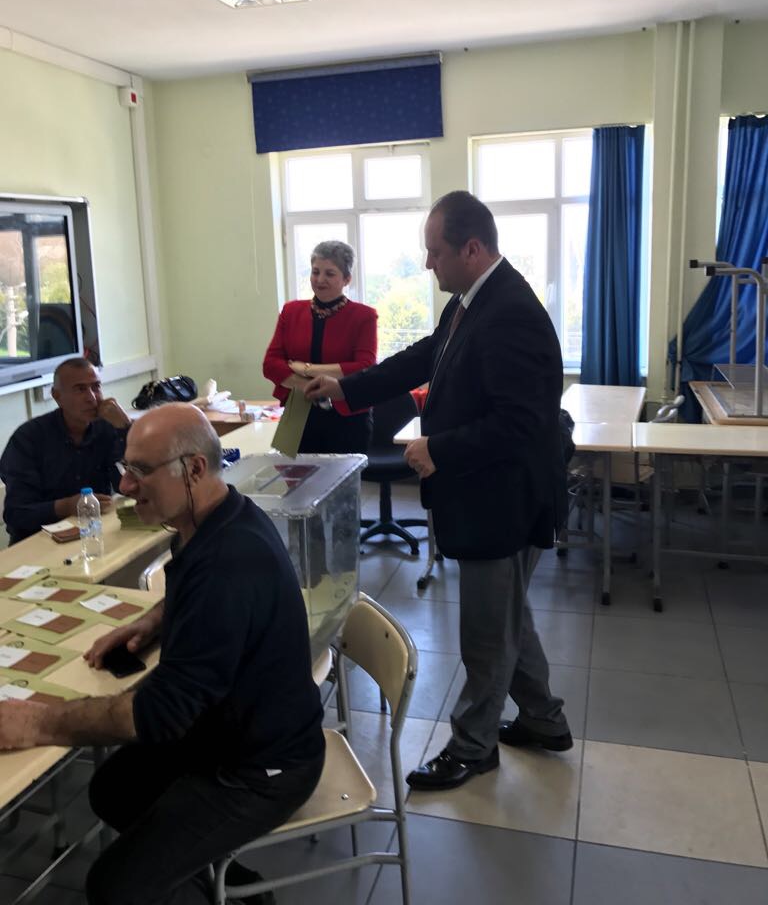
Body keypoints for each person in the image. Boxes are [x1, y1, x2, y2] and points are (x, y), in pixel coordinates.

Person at [0, 403, 325, 905]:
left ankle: (220, 885)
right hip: (230, 730)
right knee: (113, 789)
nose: (125, 485)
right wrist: (153, 621)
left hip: (264, 767)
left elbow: (155, 715)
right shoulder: (215, 517)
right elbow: (192, 597)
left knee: (114, 887)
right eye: (125, 467)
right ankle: (228, 884)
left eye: (140, 470)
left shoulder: (228, 565)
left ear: (193, 468)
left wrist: (38, 722)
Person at [305, 190, 572, 792]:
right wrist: (345, 387)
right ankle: (544, 719)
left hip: (504, 500)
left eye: (435, 252)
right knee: (507, 616)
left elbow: (521, 424)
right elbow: (423, 357)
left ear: (472, 249)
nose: (428, 264)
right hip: (488, 494)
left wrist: (438, 448)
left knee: (487, 631)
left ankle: (473, 746)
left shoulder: (510, 314)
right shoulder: (471, 301)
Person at [0, 357, 131, 543]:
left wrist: (126, 428)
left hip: (94, 533)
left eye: (96, 387)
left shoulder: (107, 428)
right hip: (39, 542)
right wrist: (67, 506)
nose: (92, 398)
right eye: (80, 389)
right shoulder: (28, 438)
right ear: (57, 396)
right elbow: (16, 514)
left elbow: (128, 485)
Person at [263, 240, 377, 453]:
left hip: (347, 416)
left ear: (347, 279)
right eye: (315, 272)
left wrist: (306, 369)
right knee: (293, 474)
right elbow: (270, 365)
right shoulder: (290, 311)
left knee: (343, 475)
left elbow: (364, 367)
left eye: (329, 274)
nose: (320, 279)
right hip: (297, 413)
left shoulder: (364, 316)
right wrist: (310, 387)